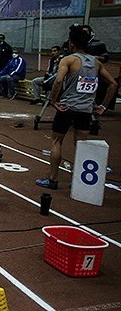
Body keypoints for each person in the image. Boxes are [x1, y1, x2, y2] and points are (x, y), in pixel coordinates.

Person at [35, 25, 118, 190]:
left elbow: (58, 81)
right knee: (82, 144)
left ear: (72, 44)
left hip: (66, 108)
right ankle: (81, 180)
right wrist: (103, 107)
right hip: (85, 110)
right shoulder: (96, 62)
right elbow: (113, 84)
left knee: (56, 141)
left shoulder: (69, 60)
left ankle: (53, 179)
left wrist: (53, 100)